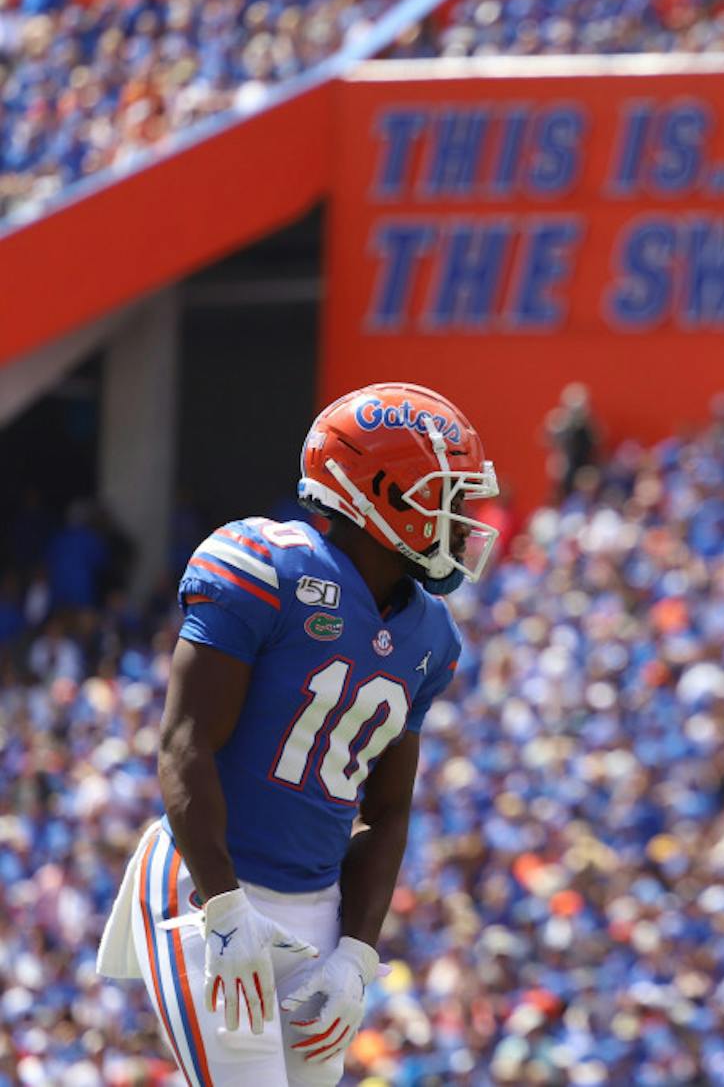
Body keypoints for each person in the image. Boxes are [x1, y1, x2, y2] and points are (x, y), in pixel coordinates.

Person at [94, 383, 500, 1087]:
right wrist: (222, 906)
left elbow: (389, 807)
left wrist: (356, 954)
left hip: (318, 906)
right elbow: (185, 742)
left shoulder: (431, 634)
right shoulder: (265, 565)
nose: (463, 518)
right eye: (448, 496)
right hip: (208, 882)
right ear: (386, 494)